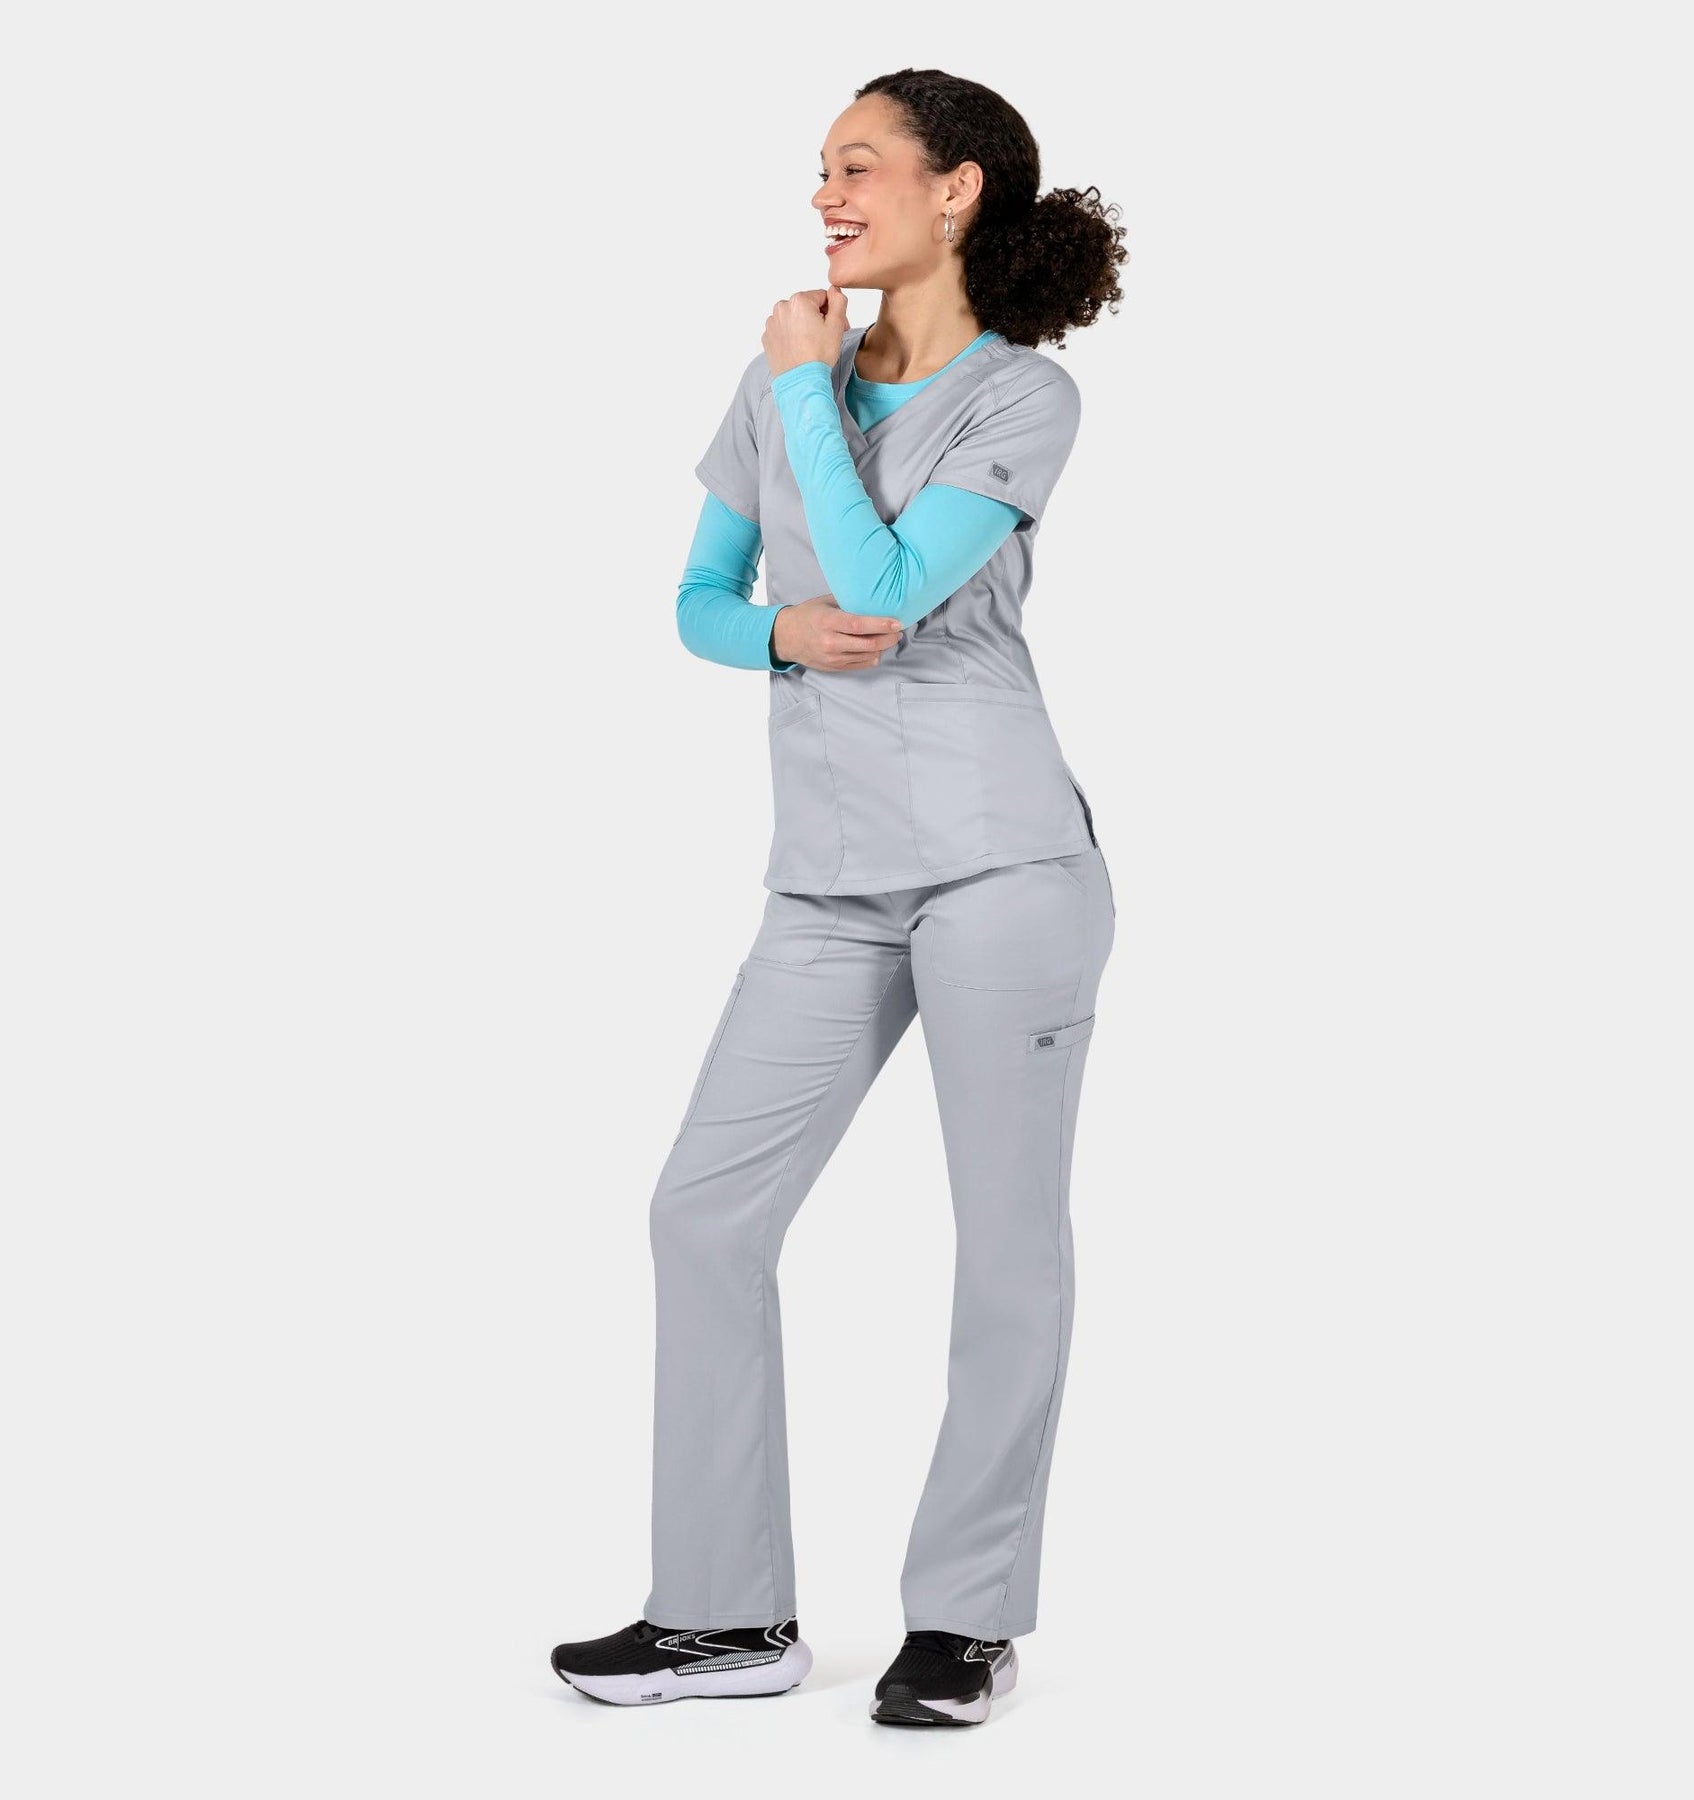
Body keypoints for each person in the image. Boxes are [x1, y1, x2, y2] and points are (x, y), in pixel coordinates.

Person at [552, 67, 1128, 1728]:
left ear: (956, 190)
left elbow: (883, 589)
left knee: (1004, 1249)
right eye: (821, 167)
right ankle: (723, 1617)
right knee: (703, 1214)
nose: (826, 193)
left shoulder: (1021, 400)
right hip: (826, 879)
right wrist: (775, 629)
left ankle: (966, 1619)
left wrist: (808, 390)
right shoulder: (776, 376)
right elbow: (700, 601)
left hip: (1004, 866)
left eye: (859, 166)